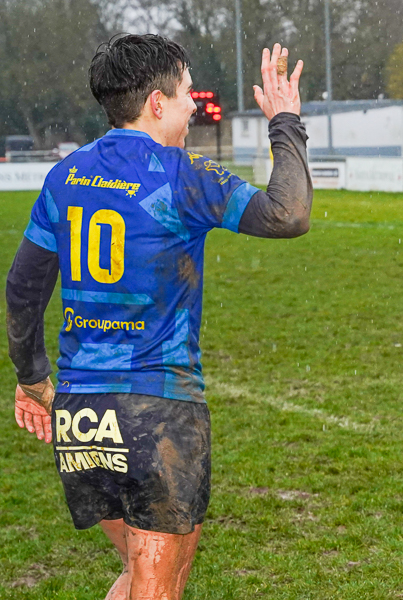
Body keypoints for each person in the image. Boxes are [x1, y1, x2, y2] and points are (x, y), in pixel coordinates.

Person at [7, 34, 312, 599]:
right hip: (159, 412)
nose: (194, 105)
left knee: (144, 575)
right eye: (184, 93)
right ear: (155, 103)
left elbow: (24, 288)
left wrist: (31, 379)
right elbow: (288, 213)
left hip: (81, 416)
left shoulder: (63, 176)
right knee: (158, 589)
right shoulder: (180, 173)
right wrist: (286, 122)